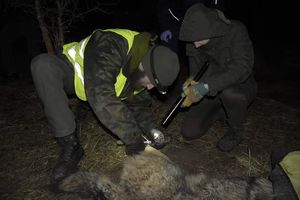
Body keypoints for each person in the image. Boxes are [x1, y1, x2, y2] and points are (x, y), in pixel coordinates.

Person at [31, 28, 180, 188]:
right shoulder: (112, 43)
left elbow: (138, 105)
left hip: (94, 87)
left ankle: (85, 106)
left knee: (102, 97)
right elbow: (101, 93)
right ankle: (70, 144)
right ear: (143, 67)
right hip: (73, 72)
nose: (150, 88)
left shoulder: (141, 67)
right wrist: (133, 139)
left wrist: (152, 130)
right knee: (43, 65)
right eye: (151, 82)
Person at [178, 3, 257, 152]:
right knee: (189, 132)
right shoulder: (193, 40)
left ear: (211, 29)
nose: (195, 43)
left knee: (231, 94)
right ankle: (221, 112)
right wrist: (190, 85)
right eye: (192, 39)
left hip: (239, 86)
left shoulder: (236, 30)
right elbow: (195, 72)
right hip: (210, 90)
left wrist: (206, 87)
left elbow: (242, 67)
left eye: (198, 38)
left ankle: (235, 132)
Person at [157, 0, 226, 53]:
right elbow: (164, 6)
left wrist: (214, 20)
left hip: (207, 21)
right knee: (167, 42)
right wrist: (167, 26)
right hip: (180, 23)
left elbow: (217, 5)